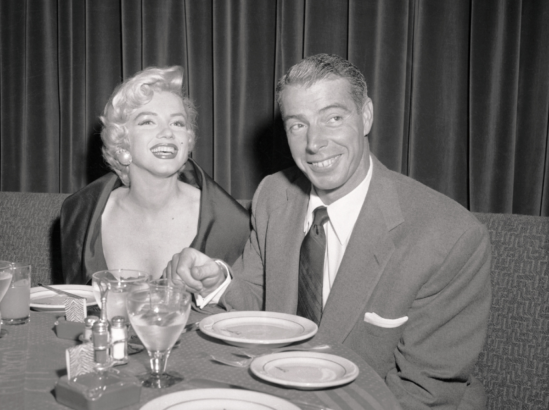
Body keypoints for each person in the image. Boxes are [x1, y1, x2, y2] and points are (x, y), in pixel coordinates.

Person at [166, 54, 492, 409]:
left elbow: (424, 392)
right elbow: (258, 304)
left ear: (365, 115)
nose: (314, 143)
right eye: (298, 125)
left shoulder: (449, 236)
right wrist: (217, 283)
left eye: (333, 118)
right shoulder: (274, 195)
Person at [61, 66, 250, 284]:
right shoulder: (80, 214)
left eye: (177, 123)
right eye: (148, 121)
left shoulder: (230, 222)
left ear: (187, 140)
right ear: (122, 141)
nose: (168, 132)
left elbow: (244, 306)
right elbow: (74, 308)